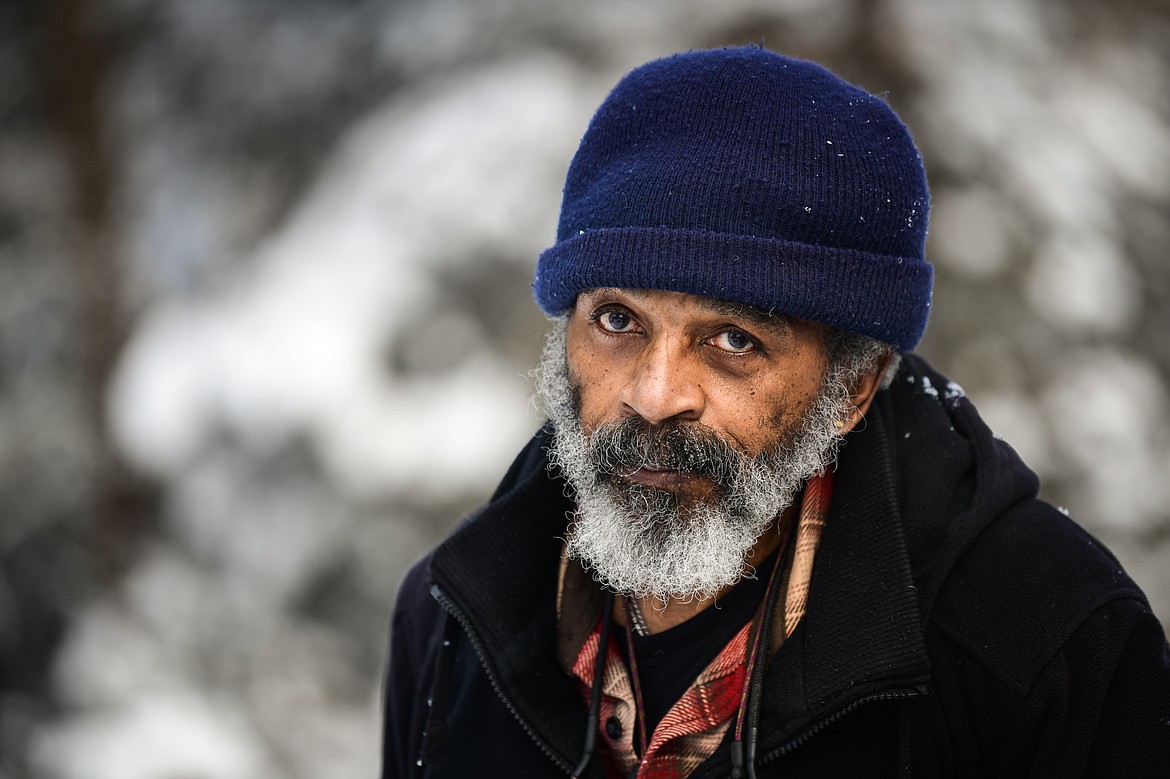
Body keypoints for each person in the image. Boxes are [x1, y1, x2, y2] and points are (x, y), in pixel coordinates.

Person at [381, 46, 1170, 778]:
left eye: (732, 339)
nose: (653, 395)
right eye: (618, 320)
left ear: (854, 388)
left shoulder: (1049, 650)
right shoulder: (452, 624)